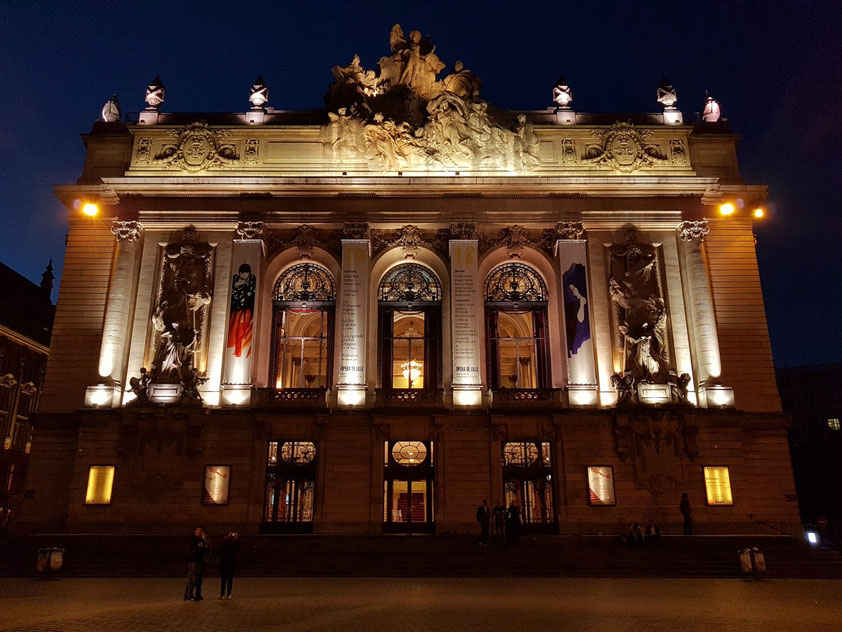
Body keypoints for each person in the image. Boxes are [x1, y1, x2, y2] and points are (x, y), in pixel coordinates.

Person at [184, 526, 209, 601]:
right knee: (192, 578)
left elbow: (206, 548)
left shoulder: (202, 540)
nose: (200, 533)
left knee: (196, 579)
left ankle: (190, 594)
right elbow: (197, 549)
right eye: (198, 532)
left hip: (199, 561)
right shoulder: (193, 540)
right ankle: (189, 595)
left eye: (201, 532)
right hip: (193, 561)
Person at [218, 532, 239, 600]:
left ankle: (223, 594)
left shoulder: (225, 544)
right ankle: (228, 594)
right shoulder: (232, 545)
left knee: (224, 580)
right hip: (229, 563)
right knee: (229, 579)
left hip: (225, 563)